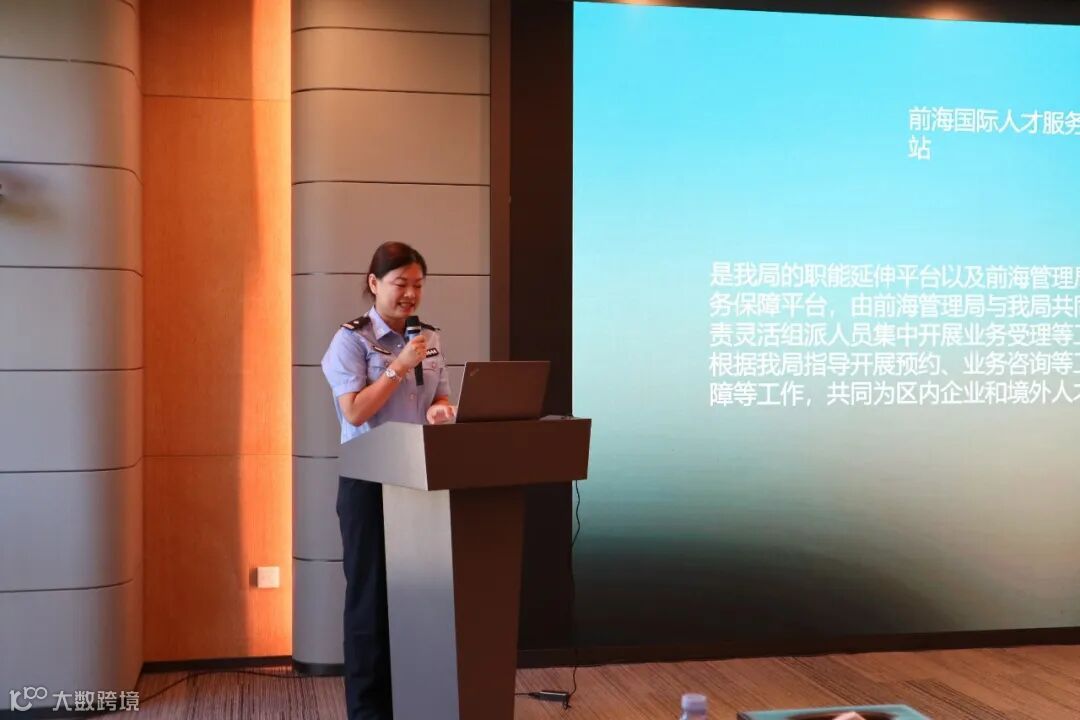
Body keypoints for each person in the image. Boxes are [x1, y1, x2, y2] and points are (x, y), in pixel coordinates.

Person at [321, 241, 455, 720]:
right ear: (375, 283)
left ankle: (413, 703)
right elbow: (356, 411)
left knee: (417, 597)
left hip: (419, 480)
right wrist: (399, 367)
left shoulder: (429, 337)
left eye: (418, 284)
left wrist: (442, 411)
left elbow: (439, 396)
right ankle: (368, 711)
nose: (410, 294)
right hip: (369, 481)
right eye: (401, 283)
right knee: (370, 601)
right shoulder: (351, 341)